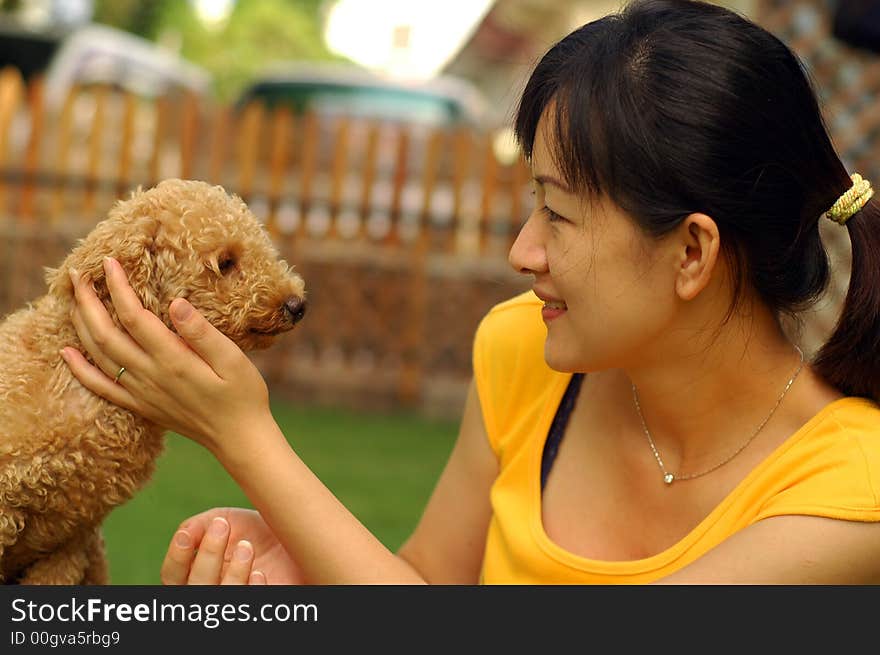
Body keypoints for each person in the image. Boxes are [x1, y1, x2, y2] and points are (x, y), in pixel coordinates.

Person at [62, 0, 880, 584]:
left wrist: (245, 436)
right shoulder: (525, 349)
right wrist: (307, 571)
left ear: (693, 250)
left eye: (557, 214)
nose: (522, 250)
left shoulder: (854, 490)